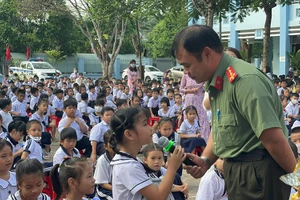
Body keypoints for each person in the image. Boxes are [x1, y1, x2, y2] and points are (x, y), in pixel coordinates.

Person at [172, 24, 296, 199]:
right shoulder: (219, 81)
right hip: (239, 172)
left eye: (187, 65)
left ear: (207, 53)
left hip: (258, 174)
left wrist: (297, 182)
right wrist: (206, 160)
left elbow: (274, 139)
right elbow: (223, 129)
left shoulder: (244, 81)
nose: (186, 73)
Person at [109, 107, 184, 200]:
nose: (150, 128)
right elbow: (158, 197)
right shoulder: (127, 166)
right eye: (145, 124)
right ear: (129, 134)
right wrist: (172, 168)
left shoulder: (132, 160)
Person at [180, 69, 210, 142]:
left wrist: (204, 86)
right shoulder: (185, 75)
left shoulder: (201, 74)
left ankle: (204, 139)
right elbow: (181, 89)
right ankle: (189, 136)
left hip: (199, 98)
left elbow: (207, 84)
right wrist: (190, 91)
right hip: (189, 99)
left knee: (201, 117)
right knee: (189, 115)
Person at [94, 130, 114, 200]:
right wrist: (118, 189)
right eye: (112, 144)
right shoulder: (102, 161)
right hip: (105, 190)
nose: (115, 146)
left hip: (117, 187)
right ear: (105, 146)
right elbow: (102, 184)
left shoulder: (122, 157)